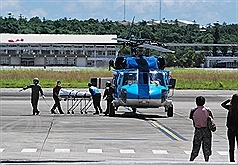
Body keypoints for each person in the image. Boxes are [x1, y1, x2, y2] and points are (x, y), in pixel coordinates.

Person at [189, 96, 214, 162]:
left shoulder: (193, 110)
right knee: (206, 147)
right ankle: (206, 160)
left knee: (196, 146)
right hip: (206, 130)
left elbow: (191, 117)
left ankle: (191, 160)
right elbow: (212, 118)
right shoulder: (207, 110)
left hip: (198, 130)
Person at [221, 94, 238, 162]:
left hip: (231, 129)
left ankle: (231, 159)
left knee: (231, 146)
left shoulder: (230, 108)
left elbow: (222, 104)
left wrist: (228, 100)